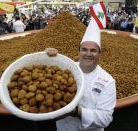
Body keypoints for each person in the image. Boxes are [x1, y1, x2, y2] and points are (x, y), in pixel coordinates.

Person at [45, 2, 116, 131]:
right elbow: (46, 76)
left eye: (93, 50)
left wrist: (75, 112)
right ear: (78, 52)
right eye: (84, 49)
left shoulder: (107, 81)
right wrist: (49, 57)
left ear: (100, 54)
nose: (88, 54)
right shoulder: (67, 68)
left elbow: (105, 119)